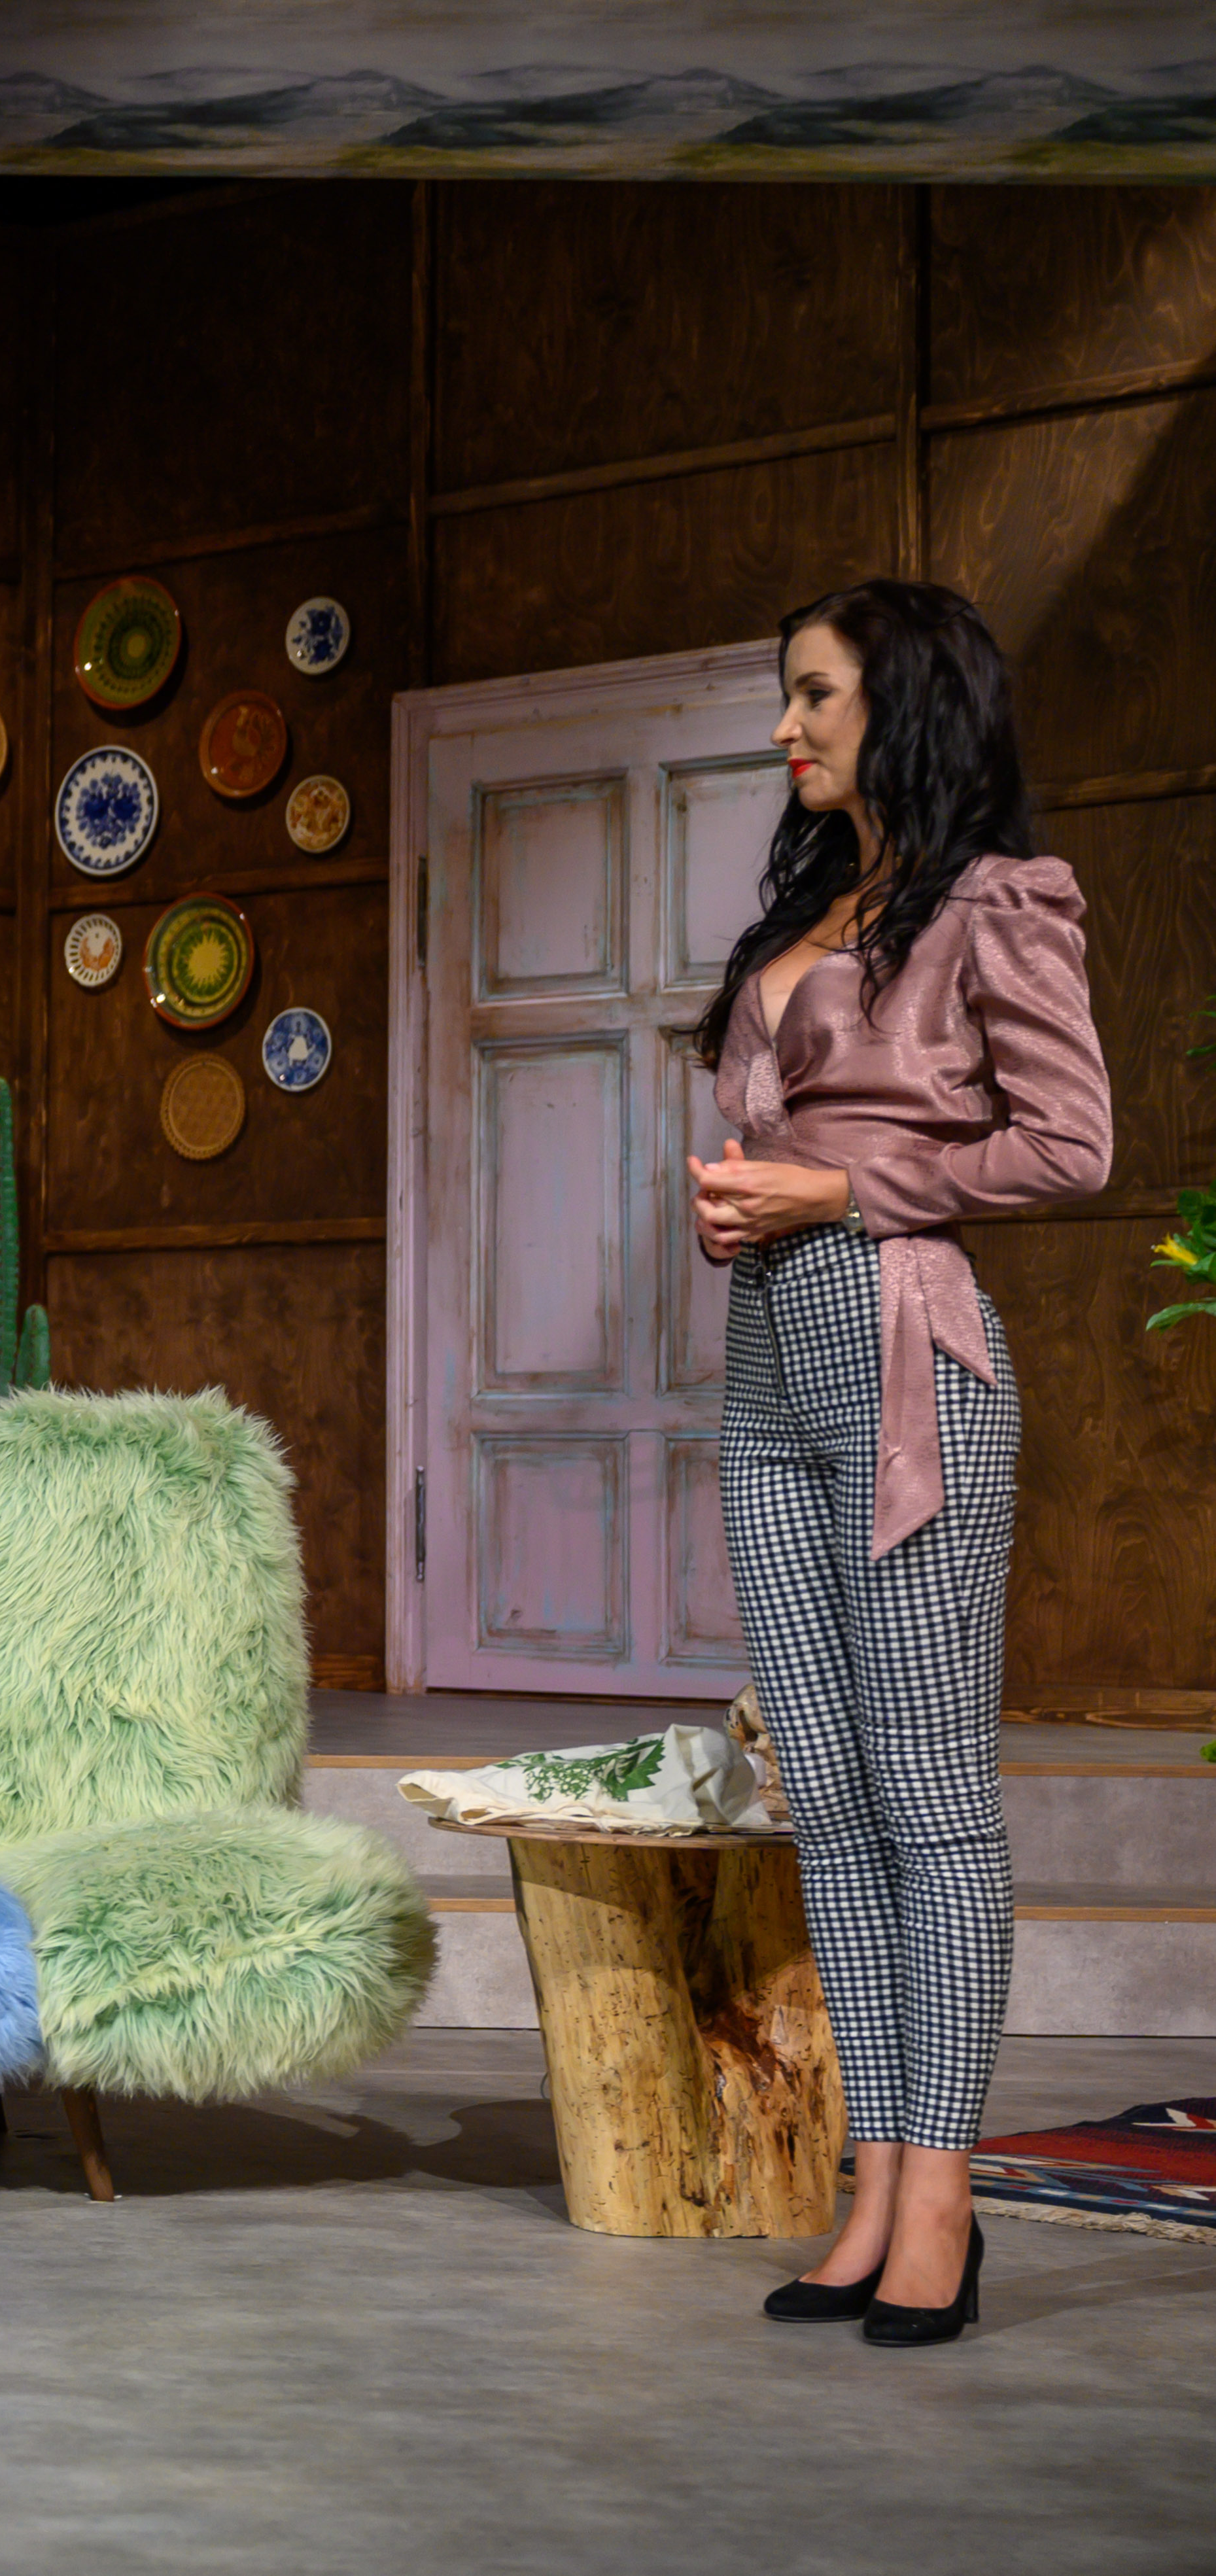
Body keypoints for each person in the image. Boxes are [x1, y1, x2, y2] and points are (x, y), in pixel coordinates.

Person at [685, 580, 1110, 2348]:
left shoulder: (995, 903)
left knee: (930, 1795)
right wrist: (744, 1205)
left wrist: (847, 1188)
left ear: (905, 701)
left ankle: (943, 2190)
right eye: (784, 696)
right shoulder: (812, 906)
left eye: (814, 694)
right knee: (836, 1797)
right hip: (765, 1372)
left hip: (904, 1357)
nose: (785, 727)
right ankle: (873, 2176)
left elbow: (1071, 1145)